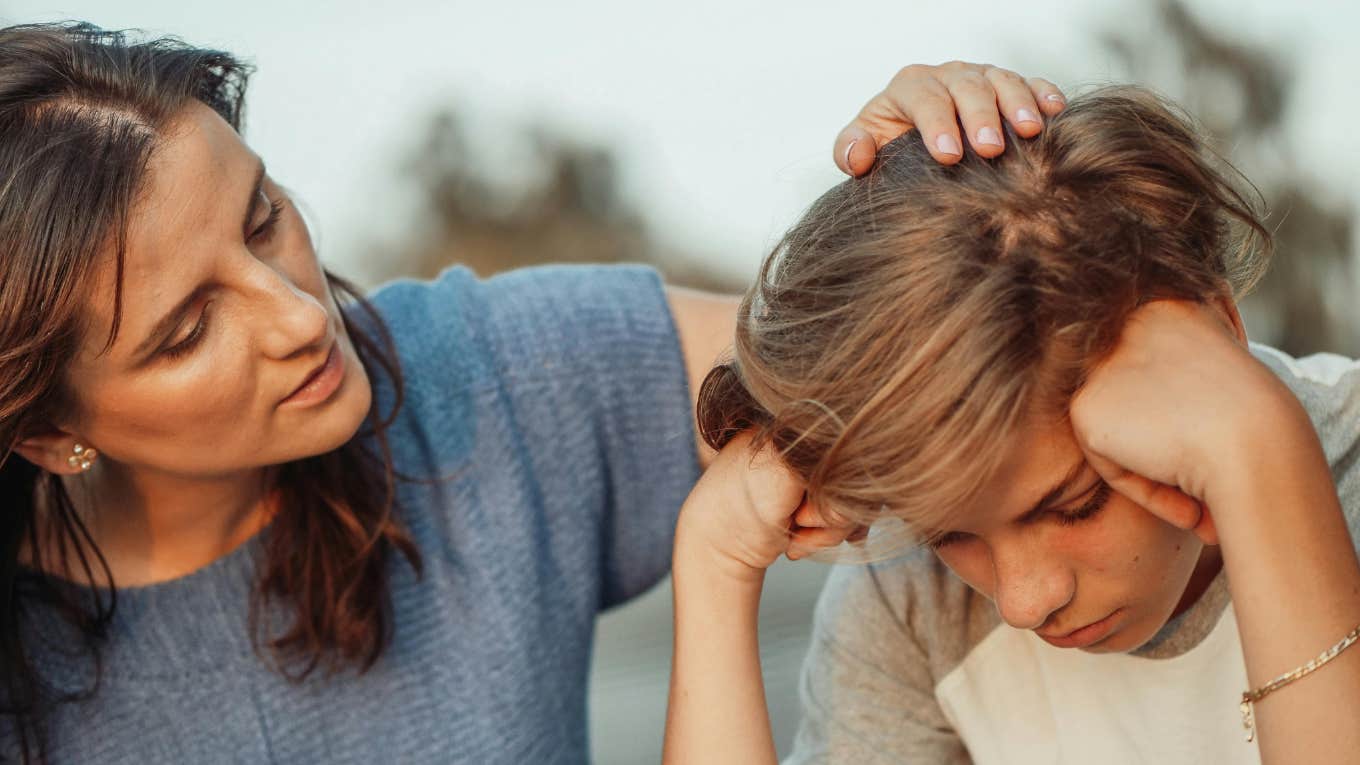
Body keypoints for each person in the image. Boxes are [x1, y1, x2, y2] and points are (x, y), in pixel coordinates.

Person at [0, 20, 1066, 764]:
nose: (300, 318)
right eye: (188, 331)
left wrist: (950, 196)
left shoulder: (496, 374)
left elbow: (912, 356)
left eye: (263, 217)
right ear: (50, 432)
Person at [664, 85, 1360, 764]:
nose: (1024, 600)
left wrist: (1262, 456)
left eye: (1074, 504)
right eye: (950, 533)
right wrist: (713, 563)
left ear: (1219, 333)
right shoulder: (914, 605)